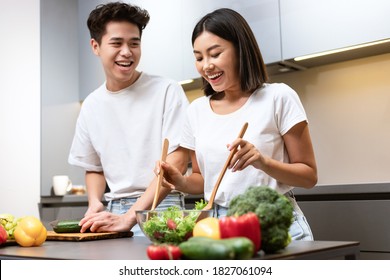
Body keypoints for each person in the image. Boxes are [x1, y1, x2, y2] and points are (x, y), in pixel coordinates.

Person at [159, 8, 318, 240]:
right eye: (199, 57)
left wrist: (262, 162)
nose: (206, 65)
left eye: (215, 54)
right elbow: (205, 180)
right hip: (220, 228)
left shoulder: (278, 97)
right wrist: (181, 181)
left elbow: (309, 176)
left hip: (275, 223)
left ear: (240, 50)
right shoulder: (196, 111)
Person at [68, 2, 189, 235]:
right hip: (113, 209)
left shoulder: (167, 90)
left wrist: (131, 217)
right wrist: (95, 201)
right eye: (116, 43)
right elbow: (94, 167)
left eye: (134, 43)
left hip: (161, 208)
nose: (127, 52)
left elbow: (178, 162)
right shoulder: (91, 105)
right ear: (96, 46)